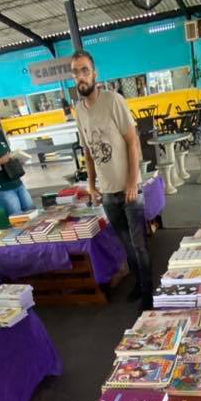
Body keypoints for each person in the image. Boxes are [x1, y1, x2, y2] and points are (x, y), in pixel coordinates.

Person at [71, 48, 152, 308]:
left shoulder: (113, 100)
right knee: (125, 244)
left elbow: (132, 141)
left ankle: (149, 294)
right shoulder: (79, 110)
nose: (81, 76)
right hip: (107, 192)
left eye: (85, 70)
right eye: (76, 72)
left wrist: (132, 182)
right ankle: (139, 284)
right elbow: (87, 151)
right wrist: (91, 184)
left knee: (139, 244)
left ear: (94, 73)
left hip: (129, 189)